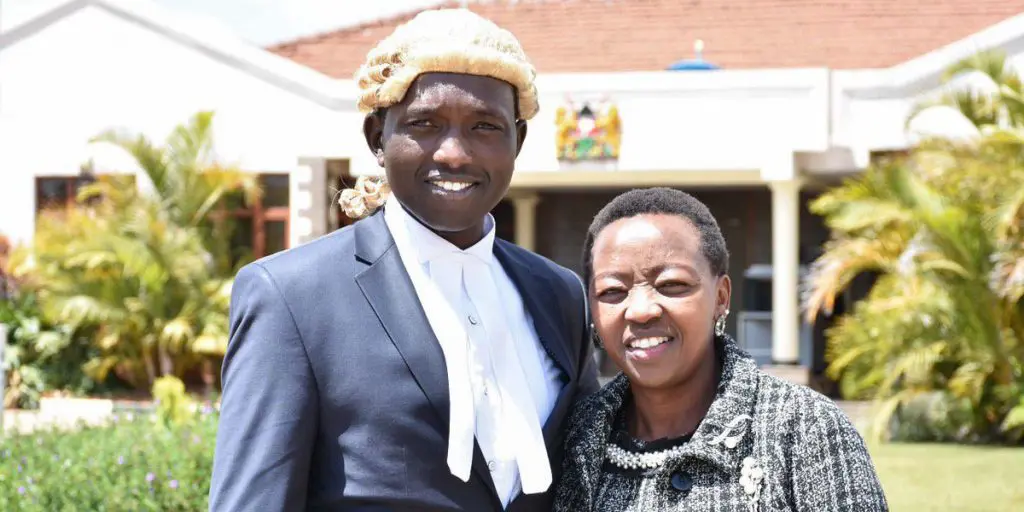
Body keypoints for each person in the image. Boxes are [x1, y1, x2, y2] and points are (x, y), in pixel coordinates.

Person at [208, 8, 599, 512]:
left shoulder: (558, 294)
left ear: (517, 142)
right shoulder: (293, 297)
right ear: (377, 138)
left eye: (485, 126)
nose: (455, 153)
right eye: (425, 124)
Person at [553, 188, 888, 511]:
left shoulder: (805, 429)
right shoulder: (577, 436)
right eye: (612, 291)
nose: (641, 310)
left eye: (672, 285)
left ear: (722, 297)